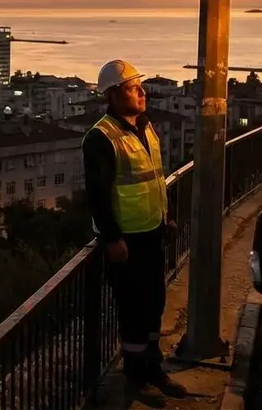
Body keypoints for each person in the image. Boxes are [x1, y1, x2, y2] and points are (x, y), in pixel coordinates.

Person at [82, 59, 187, 406]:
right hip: (126, 240)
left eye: (139, 86)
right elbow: (98, 194)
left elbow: (155, 177)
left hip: (151, 230)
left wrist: (166, 215)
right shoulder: (100, 138)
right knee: (133, 310)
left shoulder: (145, 126)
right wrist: (112, 238)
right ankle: (135, 377)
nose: (142, 92)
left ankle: (152, 366)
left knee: (155, 302)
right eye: (132, 88)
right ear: (113, 95)